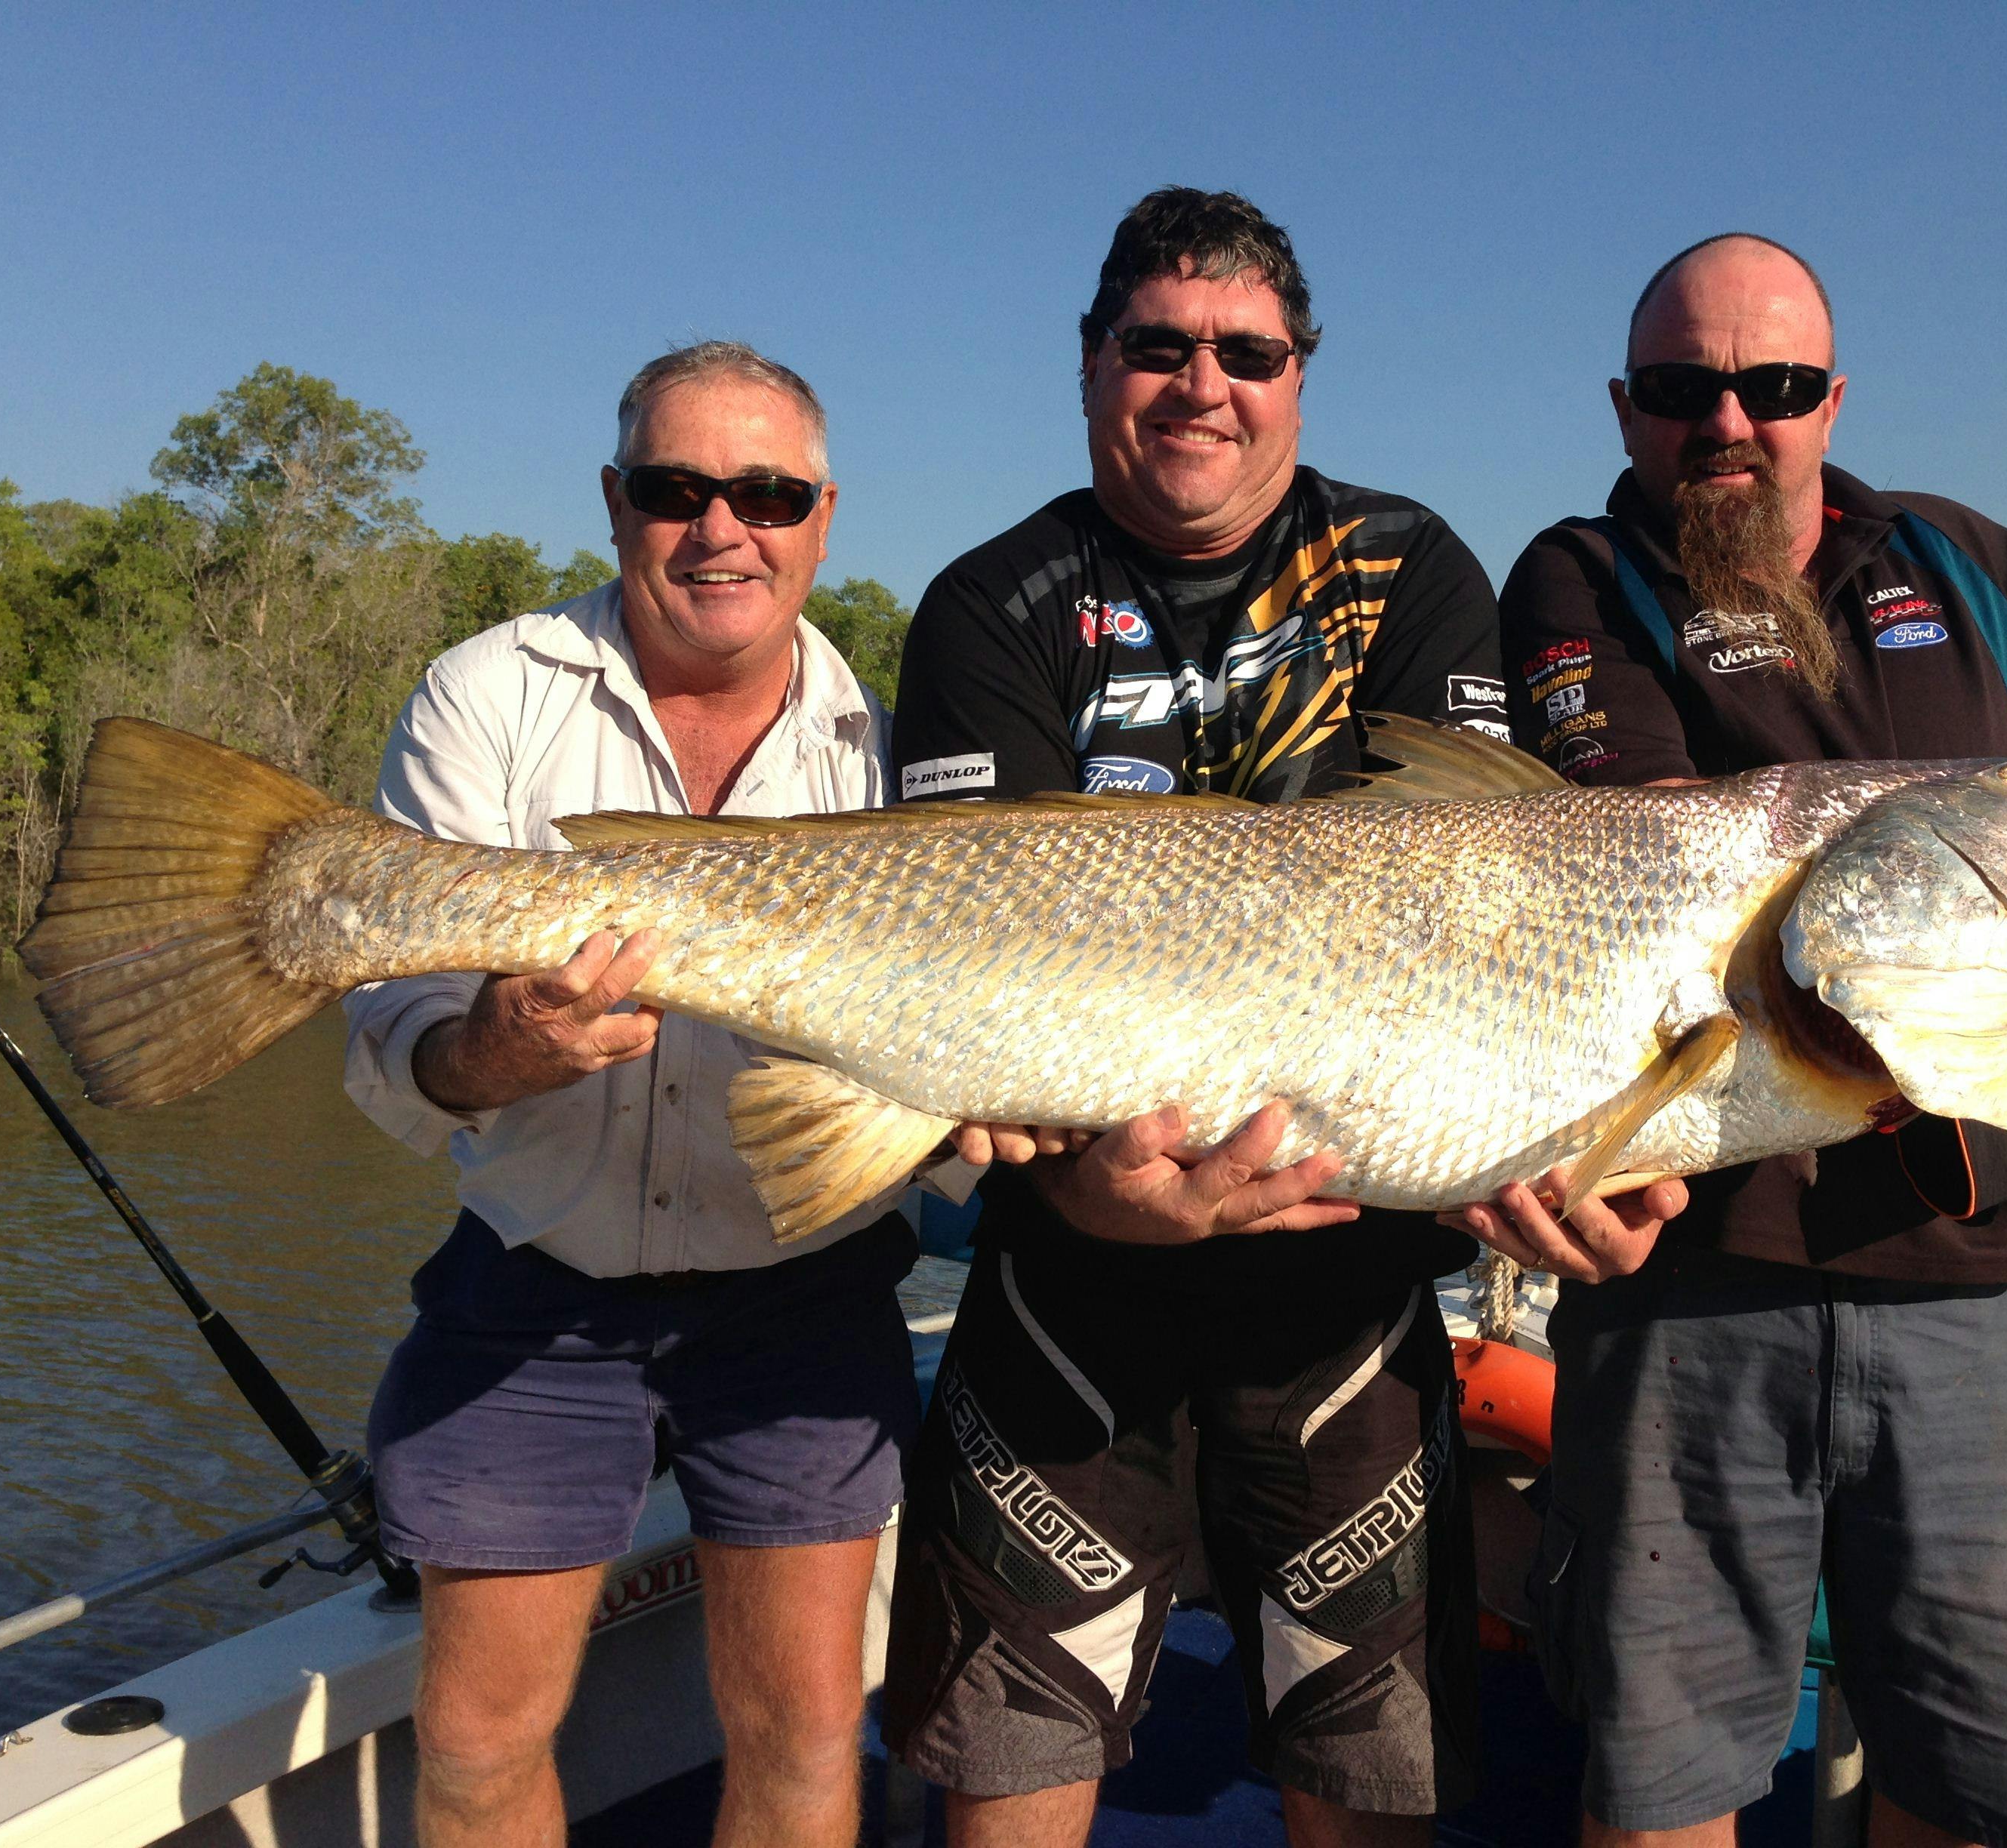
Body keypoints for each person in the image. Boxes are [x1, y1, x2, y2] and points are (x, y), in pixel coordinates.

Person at [878, 186, 1683, 1848]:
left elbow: (1481, 934)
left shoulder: (1410, 571)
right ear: (1092, 364)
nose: (1202, 384)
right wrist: (1087, 1189)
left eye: (1246, 351)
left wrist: (1561, 1150)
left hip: (1347, 1322)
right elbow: (977, 967)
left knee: (1368, 1801)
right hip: (1063, 1313)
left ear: (1299, 375)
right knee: (1001, 1801)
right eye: (1157, 346)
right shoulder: (989, 603)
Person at [1483, 233, 2007, 1848]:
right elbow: (1654, 869)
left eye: (1770, 387)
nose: (1729, 423)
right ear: (1628, 408)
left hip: (1985, 1274)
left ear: (1830, 399)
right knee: (1658, 1779)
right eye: (1686, 390)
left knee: (1982, 1787)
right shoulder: (1578, 577)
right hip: (1695, 1283)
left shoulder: (1961, 558)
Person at [342, 341, 920, 1848]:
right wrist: (491, 1054)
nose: (720, 526)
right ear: (615, 502)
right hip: (536, 1288)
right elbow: (396, 1015)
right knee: (472, 1743)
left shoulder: (901, 759)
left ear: (823, 516)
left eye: (767, 491)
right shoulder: (487, 691)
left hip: (805, 1287)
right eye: (676, 488)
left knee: (802, 1732)